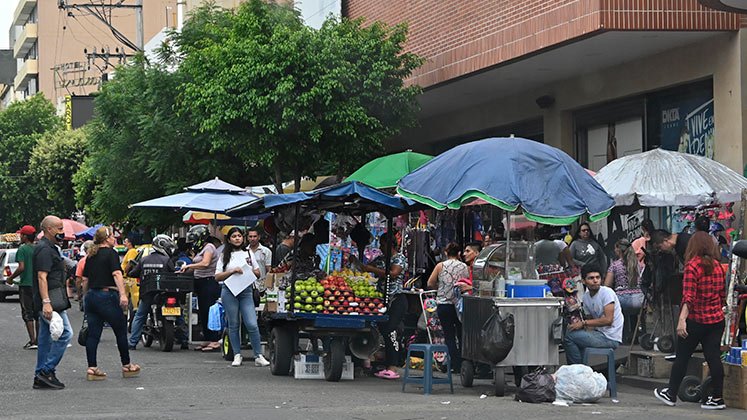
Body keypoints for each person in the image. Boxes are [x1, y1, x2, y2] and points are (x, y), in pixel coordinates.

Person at [654, 232, 726, 410]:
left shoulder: (692, 266)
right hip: (716, 320)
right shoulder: (718, 266)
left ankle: (671, 393)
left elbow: (688, 297)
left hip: (696, 320)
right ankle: (717, 398)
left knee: (682, 357)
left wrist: (682, 320)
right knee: (714, 358)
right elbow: (722, 295)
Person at [81, 226, 140, 380]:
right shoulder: (111, 253)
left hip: (92, 296)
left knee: (93, 334)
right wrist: (122, 295)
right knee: (120, 330)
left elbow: (85, 280)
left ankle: (92, 368)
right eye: (113, 236)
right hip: (107, 295)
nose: (115, 239)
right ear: (107, 239)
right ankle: (127, 365)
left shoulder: (90, 255)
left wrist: (86, 297)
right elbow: (116, 274)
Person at [214, 227, 270, 367]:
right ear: (229, 239)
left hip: (246, 291)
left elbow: (258, 272)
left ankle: (258, 355)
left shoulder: (248, 253)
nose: (237, 238)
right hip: (229, 291)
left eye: (239, 236)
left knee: (251, 323)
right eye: (234, 236)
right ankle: (237, 354)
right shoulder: (224, 256)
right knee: (234, 324)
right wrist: (232, 271)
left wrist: (248, 271)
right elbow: (217, 276)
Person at [359, 232, 407, 379]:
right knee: (381, 329)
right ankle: (379, 361)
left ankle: (393, 366)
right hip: (381, 300)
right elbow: (366, 267)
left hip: (396, 299)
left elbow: (393, 273)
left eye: (383, 244)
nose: (380, 247)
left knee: (391, 330)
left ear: (390, 245)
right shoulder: (380, 259)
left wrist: (370, 270)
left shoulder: (400, 258)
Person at [32, 215, 73, 389]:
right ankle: (46, 371)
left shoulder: (51, 248)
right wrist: (46, 302)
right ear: (49, 230)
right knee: (65, 334)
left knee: (45, 339)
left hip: (52, 299)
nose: (62, 232)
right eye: (59, 228)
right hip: (51, 300)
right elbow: (42, 277)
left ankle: (40, 374)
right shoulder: (44, 249)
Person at [563, 264, 623, 365]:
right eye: (591, 278)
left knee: (569, 338)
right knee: (573, 335)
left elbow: (608, 320)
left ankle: (577, 371)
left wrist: (583, 323)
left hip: (610, 337)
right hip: (599, 334)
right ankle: (581, 370)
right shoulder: (586, 297)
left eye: (597, 277)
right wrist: (579, 327)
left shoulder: (607, 293)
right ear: (583, 281)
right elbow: (591, 322)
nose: (595, 280)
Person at [126, 235, 179, 350]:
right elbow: (174, 273)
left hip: (148, 292)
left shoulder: (144, 259)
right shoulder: (167, 260)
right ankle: (184, 340)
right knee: (178, 312)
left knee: (140, 316)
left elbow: (133, 273)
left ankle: (132, 342)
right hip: (165, 292)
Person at [427, 243, 469, 371]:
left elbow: (430, 282)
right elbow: (467, 282)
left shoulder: (440, 266)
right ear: (459, 254)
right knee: (462, 334)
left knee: (449, 335)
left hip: (444, 304)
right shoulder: (464, 266)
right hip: (459, 304)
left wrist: (439, 289)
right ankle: (463, 363)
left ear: (446, 252)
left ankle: (455, 364)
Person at [179, 225, 221, 351]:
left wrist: (189, 267)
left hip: (209, 282)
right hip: (200, 282)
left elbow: (205, 263)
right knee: (203, 311)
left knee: (209, 311)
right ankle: (208, 339)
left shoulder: (209, 247)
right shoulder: (202, 248)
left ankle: (214, 340)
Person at [604, 239, 644, 343]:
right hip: (639, 300)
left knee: (621, 308)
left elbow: (607, 285)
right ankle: (636, 335)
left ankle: (624, 336)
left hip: (622, 300)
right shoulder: (639, 265)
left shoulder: (615, 265)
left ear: (618, 250)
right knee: (633, 311)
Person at [6, 225, 38, 349]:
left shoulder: (22, 249)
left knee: (27, 312)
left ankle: (33, 340)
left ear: (25, 236)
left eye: (21, 235)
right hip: (37, 284)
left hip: (25, 284)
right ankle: (39, 340)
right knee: (38, 313)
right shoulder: (38, 248)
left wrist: (11, 278)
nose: (20, 236)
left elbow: (21, 267)